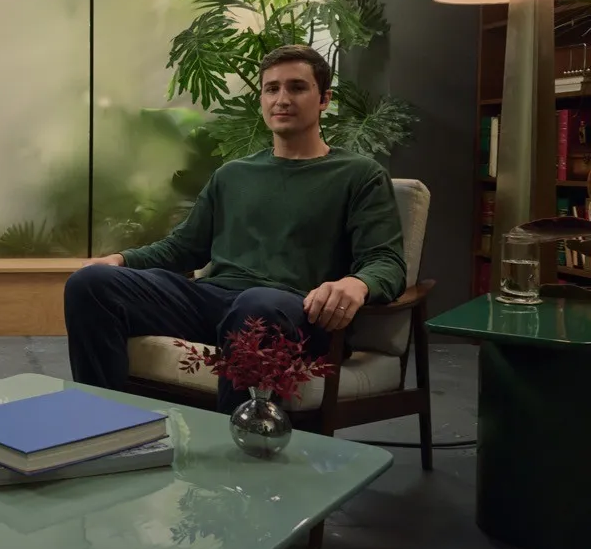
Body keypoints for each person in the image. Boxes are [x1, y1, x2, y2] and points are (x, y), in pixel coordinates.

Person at [64, 44, 407, 413]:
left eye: (297, 87)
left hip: (293, 312)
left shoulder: (359, 175)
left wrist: (357, 283)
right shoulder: (233, 175)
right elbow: (184, 248)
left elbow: (386, 261)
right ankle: (104, 421)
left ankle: (238, 440)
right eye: (271, 89)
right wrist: (120, 260)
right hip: (214, 302)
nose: (282, 99)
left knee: (256, 305)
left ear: (324, 99)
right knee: (90, 284)